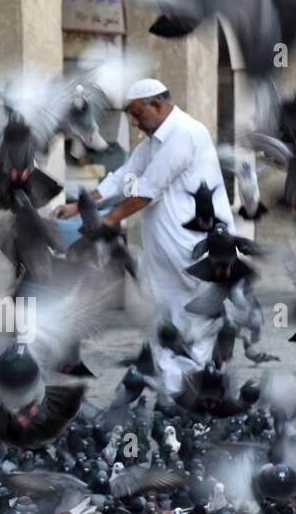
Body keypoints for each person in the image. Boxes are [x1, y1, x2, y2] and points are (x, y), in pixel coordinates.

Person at [53, 78, 233, 391]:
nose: (135, 123)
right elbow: (125, 177)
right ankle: (171, 390)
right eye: (131, 117)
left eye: (138, 115)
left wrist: (109, 219)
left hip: (197, 248)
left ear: (158, 105)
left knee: (195, 318)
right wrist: (80, 205)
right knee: (163, 320)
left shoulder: (186, 133)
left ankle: (194, 391)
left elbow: (149, 189)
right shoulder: (152, 143)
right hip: (164, 252)